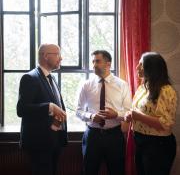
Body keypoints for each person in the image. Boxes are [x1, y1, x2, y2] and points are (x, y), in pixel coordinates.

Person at [76, 50, 132, 175]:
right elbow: (78, 111)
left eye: (97, 61)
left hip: (114, 137)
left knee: (117, 171)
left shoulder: (122, 85)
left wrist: (116, 115)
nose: (94, 65)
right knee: (89, 171)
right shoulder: (86, 85)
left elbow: (129, 112)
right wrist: (90, 116)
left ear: (108, 64)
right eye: (93, 62)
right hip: (92, 136)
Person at [17, 44, 68, 175]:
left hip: (55, 140)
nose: (61, 58)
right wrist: (49, 107)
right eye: (57, 54)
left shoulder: (52, 78)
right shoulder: (30, 78)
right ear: (46, 56)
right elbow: (21, 109)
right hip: (39, 143)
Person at [125, 52, 177, 175]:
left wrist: (137, 116)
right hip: (141, 141)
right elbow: (138, 110)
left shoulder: (166, 90)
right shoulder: (143, 87)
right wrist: (130, 114)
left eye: (141, 65)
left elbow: (166, 123)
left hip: (158, 145)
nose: (137, 68)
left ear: (152, 68)